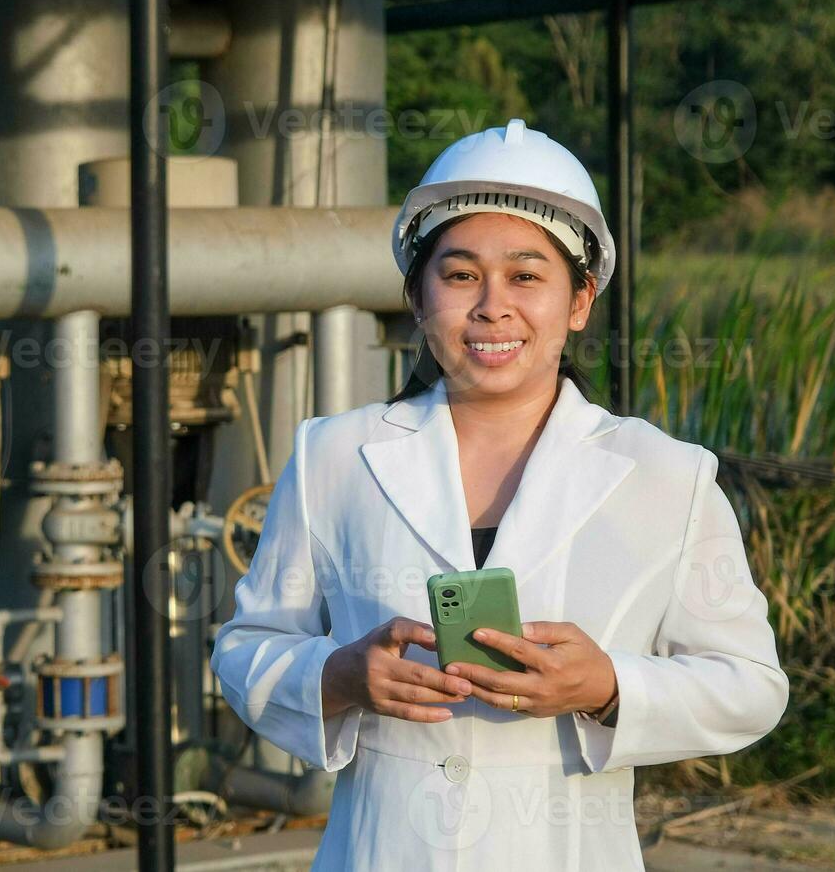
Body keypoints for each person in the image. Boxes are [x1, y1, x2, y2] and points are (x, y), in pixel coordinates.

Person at [209, 120, 788, 870]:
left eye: (526, 275)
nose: (492, 306)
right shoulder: (335, 457)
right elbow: (246, 650)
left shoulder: (666, 475)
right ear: (417, 297)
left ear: (579, 300)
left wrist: (610, 685)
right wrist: (341, 675)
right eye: (458, 275)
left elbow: (750, 686)